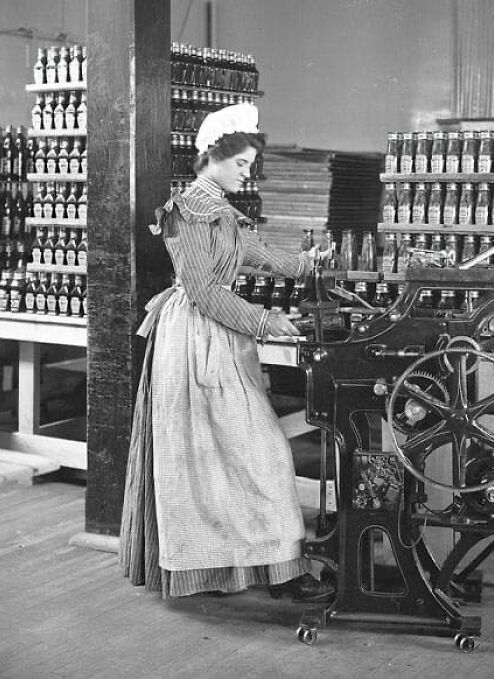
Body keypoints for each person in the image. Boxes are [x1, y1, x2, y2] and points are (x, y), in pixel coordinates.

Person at [119, 102, 334, 603]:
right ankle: (230, 565)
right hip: (194, 340)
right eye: (241, 164)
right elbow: (203, 290)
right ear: (213, 157)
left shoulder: (219, 209)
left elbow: (255, 254)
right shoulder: (185, 213)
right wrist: (264, 321)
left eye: (250, 166)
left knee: (231, 457)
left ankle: (257, 564)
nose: (247, 173)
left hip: (220, 338)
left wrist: (307, 264)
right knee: (226, 456)